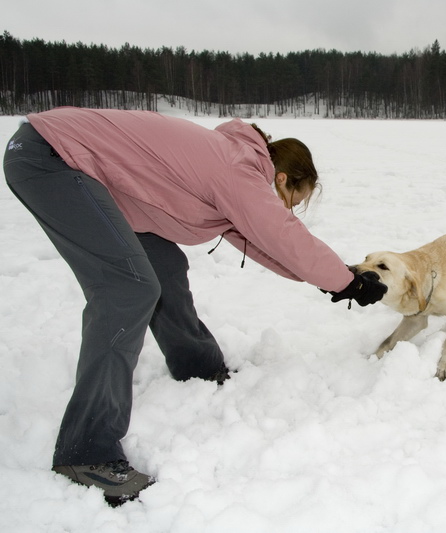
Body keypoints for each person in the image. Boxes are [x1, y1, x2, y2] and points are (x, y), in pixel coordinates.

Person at [3, 107, 387, 506]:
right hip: (52, 157)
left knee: (163, 266)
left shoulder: (234, 165)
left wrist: (338, 279)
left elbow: (264, 244)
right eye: (292, 200)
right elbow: (280, 233)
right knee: (127, 289)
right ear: (282, 178)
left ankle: (198, 367)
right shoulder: (239, 170)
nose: (287, 210)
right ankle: (85, 453)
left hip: (77, 165)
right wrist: (347, 282)